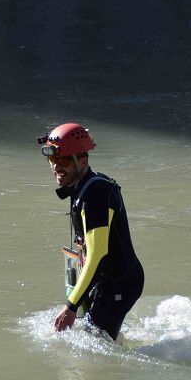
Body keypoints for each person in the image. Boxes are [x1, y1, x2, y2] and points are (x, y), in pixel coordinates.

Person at [38, 123, 144, 340]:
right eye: (52, 159)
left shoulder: (95, 194)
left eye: (64, 160)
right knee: (92, 336)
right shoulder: (80, 187)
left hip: (119, 283)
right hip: (101, 279)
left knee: (95, 346)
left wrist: (70, 305)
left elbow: (98, 254)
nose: (56, 167)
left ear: (83, 160)